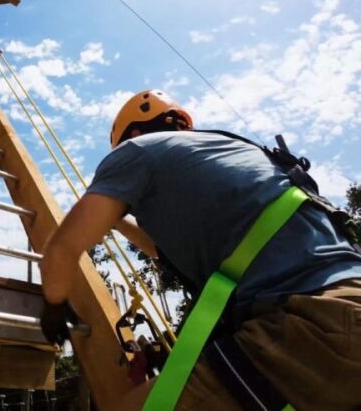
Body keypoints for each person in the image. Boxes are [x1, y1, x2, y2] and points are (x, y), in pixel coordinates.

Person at [39, 90, 361, 410]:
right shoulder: (236, 151)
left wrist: (54, 305)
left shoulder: (136, 151)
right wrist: (116, 222)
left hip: (314, 326)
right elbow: (162, 252)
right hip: (342, 302)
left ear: (133, 134)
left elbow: (61, 251)